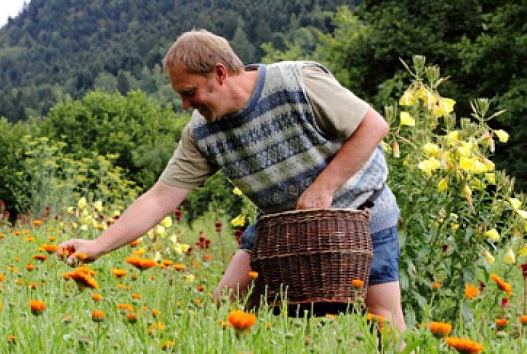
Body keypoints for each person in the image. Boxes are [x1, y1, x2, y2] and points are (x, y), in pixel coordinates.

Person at [57, 29, 406, 334]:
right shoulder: (201, 133)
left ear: (220, 73)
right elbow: (160, 197)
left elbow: (373, 126)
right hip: (278, 224)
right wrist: (97, 245)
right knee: (224, 309)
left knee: (382, 318)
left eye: (189, 92)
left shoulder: (299, 81)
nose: (184, 104)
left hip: (363, 212)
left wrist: (324, 187)